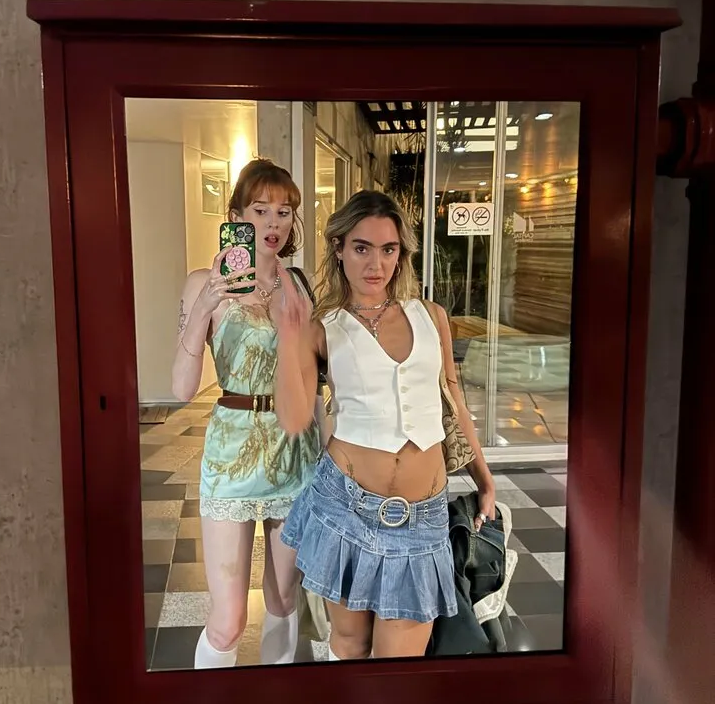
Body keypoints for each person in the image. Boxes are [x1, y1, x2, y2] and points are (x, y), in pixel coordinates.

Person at [272, 189, 496, 660]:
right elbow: (293, 417)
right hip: (345, 506)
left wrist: (484, 478)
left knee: (400, 664)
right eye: (362, 248)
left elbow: (453, 402)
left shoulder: (431, 316)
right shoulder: (323, 327)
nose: (376, 264)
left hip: (422, 519)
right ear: (339, 249)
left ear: (401, 253)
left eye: (388, 249)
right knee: (350, 645)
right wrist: (289, 339)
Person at [172, 158, 321, 669]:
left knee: (284, 597)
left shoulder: (298, 284)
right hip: (231, 451)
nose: (274, 223)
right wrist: (202, 310)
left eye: (284, 212)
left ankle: (275, 700)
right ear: (236, 216)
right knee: (228, 618)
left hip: (293, 450)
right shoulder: (203, 281)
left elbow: (311, 381)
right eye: (260, 210)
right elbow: (180, 389)